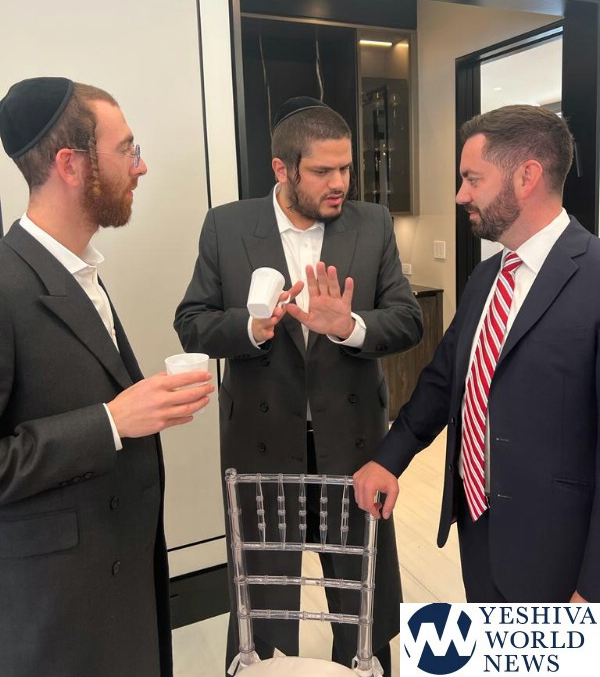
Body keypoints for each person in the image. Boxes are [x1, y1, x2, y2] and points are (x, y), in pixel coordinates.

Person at [174, 96, 422, 671]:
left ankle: (366, 664)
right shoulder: (227, 225)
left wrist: (351, 326)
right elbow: (191, 322)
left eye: (346, 168)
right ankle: (261, 663)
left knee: (361, 581)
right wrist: (251, 328)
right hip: (261, 434)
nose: (340, 184)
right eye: (323, 171)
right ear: (282, 169)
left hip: (353, 437)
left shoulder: (373, 224)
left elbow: (408, 320)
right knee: (263, 582)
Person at [0, 77, 214, 677]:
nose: (140, 167)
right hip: (58, 621)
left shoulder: (80, 272)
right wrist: (111, 422)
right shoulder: (6, 284)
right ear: (71, 165)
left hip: (118, 589)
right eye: (127, 150)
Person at [354, 103, 600, 603]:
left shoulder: (595, 276)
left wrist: (593, 586)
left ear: (527, 176)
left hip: (561, 555)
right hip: (477, 529)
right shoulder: (486, 277)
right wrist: (388, 458)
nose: (460, 194)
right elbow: (444, 380)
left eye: (472, 178)